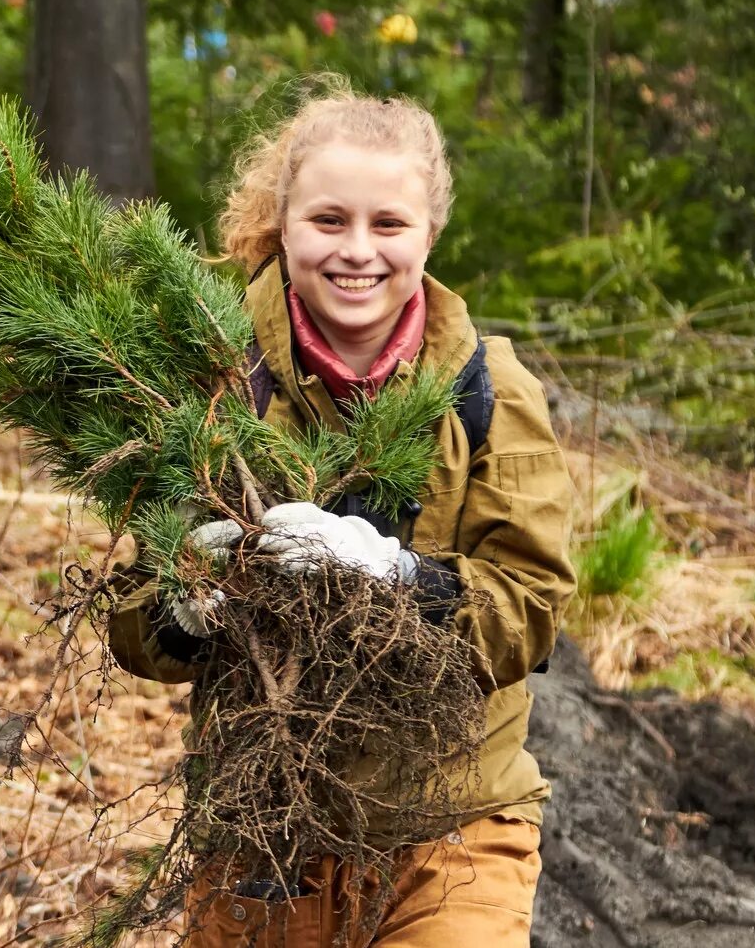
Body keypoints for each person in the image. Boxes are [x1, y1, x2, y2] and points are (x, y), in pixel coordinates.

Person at [109, 83, 576, 947]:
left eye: (388, 225)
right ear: (282, 226)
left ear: (430, 233)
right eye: (328, 221)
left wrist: (401, 579)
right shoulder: (211, 382)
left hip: (452, 830)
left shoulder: (490, 389)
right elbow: (132, 625)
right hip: (261, 832)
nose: (357, 251)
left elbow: (533, 606)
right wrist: (181, 601)